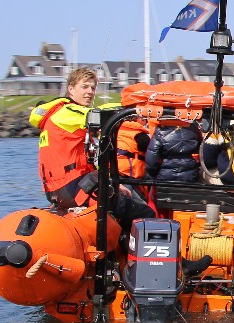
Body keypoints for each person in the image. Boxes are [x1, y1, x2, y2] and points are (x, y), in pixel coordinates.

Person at [29, 67, 154, 221]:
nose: (90, 92)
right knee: (144, 212)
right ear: (71, 89)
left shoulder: (68, 119)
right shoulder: (65, 113)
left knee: (125, 199)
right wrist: (133, 109)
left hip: (66, 186)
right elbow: (97, 114)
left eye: (93, 88)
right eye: (84, 87)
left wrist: (111, 183)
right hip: (71, 187)